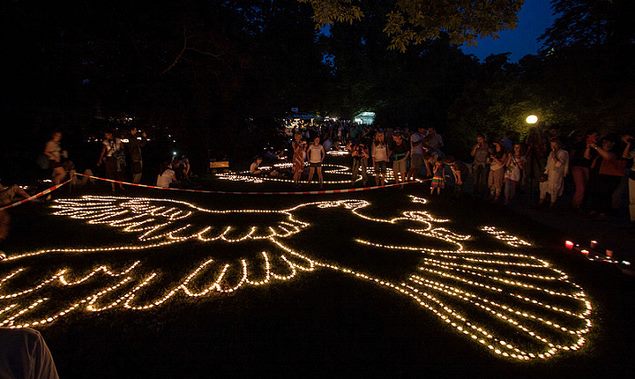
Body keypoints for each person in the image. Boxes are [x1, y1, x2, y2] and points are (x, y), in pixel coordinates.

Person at [587, 135, 624, 216]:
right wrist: (588, 147)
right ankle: (594, 209)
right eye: (603, 142)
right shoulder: (599, 153)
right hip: (598, 175)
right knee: (596, 192)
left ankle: (603, 212)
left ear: (613, 143)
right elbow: (587, 157)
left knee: (605, 194)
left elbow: (608, 157)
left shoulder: (615, 153)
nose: (604, 144)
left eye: (606, 142)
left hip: (609, 176)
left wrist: (596, 147)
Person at [570, 131, 599, 209]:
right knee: (581, 187)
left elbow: (589, 158)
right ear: (588, 135)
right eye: (595, 135)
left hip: (586, 167)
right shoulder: (580, 144)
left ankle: (579, 204)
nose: (597, 137)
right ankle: (576, 205)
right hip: (577, 166)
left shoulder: (596, 147)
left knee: (585, 186)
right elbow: (573, 155)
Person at [539, 138, 569, 207]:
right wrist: (545, 172)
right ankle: (541, 201)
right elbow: (548, 163)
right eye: (552, 145)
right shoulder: (551, 153)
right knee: (543, 185)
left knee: (554, 188)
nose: (553, 147)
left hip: (557, 174)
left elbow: (559, 164)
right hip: (549, 173)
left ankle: (552, 204)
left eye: (554, 145)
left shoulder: (563, 153)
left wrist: (554, 156)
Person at [622, 134, 635, 222]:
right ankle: (633, 219)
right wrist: (628, 144)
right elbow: (625, 155)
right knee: (633, 199)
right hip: (634, 173)